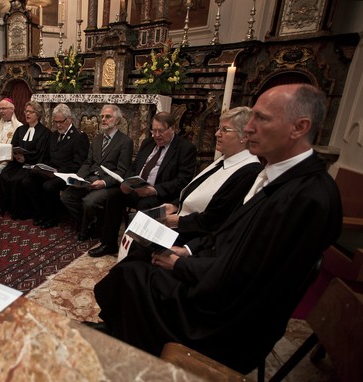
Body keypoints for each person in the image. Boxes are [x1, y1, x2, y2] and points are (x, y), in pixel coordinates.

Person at [92, 84, 343, 374]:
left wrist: (181, 265)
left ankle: (129, 347)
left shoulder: (308, 198)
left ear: (299, 127)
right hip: (219, 282)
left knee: (133, 274)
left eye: (261, 118)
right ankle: (123, 333)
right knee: (140, 259)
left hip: (226, 321)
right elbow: (229, 236)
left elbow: (246, 277)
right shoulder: (281, 177)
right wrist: (186, 251)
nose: (248, 128)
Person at [88, 112, 196, 257]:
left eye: (160, 131)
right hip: (137, 189)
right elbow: (133, 166)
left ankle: (135, 251)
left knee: (145, 206)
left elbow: (183, 180)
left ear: (172, 129)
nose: (156, 135)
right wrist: (127, 182)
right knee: (113, 197)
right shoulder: (148, 143)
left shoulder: (185, 148)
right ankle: (108, 244)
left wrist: (154, 190)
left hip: (160, 194)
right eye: (153, 130)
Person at [161, 106, 262, 244]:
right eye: (219, 128)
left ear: (244, 136)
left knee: (139, 250)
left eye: (225, 130)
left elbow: (218, 219)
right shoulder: (224, 159)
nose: (217, 134)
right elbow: (197, 188)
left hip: (197, 238)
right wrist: (175, 205)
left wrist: (177, 221)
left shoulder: (249, 171)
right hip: (183, 224)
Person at [60, 105, 133, 241]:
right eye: (102, 117)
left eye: (108, 117)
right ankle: (91, 223)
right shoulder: (97, 139)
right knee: (66, 196)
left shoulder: (125, 142)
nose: (103, 119)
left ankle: (86, 229)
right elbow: (88, 163)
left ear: (117, 121)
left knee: (89, 202)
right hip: (90, 179)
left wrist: (104, 182)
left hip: (110, 184)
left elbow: (122, 171)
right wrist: (78, 178)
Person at [22, 104, 90, 229]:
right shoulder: (53, 135)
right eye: (55, 122)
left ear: (69, 119)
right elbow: (47, 157)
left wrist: (58, 171)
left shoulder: (79, 137)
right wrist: (41, 167)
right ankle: (40, 213)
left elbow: (78, 164)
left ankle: (51, 218)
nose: (58, 125)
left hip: (67, 174)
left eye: (61, 122)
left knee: (48, 186)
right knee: (28, 181)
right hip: (51, 171)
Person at [0, 101, 50, 220]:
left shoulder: (44, 132)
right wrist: (16, 155)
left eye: (31, 112)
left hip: (31, 164)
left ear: (37, 114)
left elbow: (41, 153)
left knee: (18, 180)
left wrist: (26, 158)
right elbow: (13, 145)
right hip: (16, 163)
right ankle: (6, 207)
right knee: (4, 175)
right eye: (26, 111)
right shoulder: (20, 129)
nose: (27, 114)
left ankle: (21, 211)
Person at [0, 97, 22, 178]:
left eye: (3, 109)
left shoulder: (19, 127)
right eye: (0, 109)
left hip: (7, 161)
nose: (1, 111)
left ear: (12, 109)